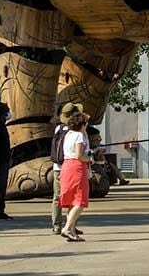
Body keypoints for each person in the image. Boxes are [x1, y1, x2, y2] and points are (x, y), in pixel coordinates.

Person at [58, 110, 91, 242]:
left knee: (72, 200)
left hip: (66, 166)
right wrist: (89, 159)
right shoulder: (79, 136)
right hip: (77, 167)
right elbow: (79, 155)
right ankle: (67, 228)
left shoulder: (68, 134)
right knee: (81, 200)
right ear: (82, 124)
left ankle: (71, 230)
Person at [51, 102, 82, 235]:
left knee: (57, 196)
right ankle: (71, 225)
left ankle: (57, 225)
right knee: (75, 197)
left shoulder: (58, 129)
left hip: (58, 166)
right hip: (71, 166)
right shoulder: (75, 131)